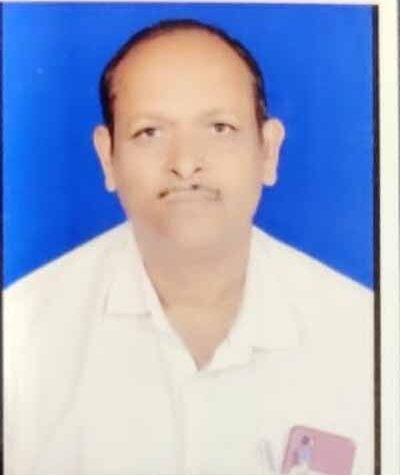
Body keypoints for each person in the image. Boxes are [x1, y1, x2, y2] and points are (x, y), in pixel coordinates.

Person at [4, 19, 374, 475]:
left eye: (219, 127)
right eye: (150, 132)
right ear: (107, 156)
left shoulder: (365, 334)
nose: (185, 163)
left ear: (268, 150)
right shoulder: (20, 338)